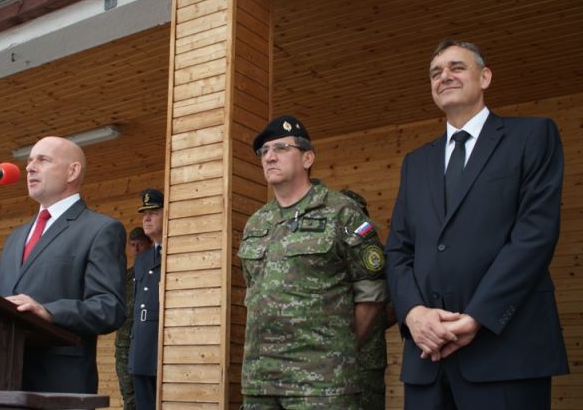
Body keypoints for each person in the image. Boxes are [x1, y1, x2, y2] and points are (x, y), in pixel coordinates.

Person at [385, 40, 569, 409]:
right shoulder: (415, 163)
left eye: (457, 67)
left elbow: (534, 236)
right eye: (436, 73)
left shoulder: (531, 136)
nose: (445, 76)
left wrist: (477, 316)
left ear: (484, 77)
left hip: (506, 353)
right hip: (427, 358)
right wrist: (414, 313)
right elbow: (398, 250)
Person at [238, 115, 388, 409]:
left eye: (281, 148)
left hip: (321, 383)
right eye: (264, 151)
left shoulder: (341, 212)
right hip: (260, 380)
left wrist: (338, 349)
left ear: (308, 158)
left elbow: (372, 290)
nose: (269, 157)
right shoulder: (257, 223)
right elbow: (254, 289)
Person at [0, 136, 126, 393]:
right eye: (29, 160)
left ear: (72, 172)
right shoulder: (15, 238)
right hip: (1, 379)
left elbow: (109, 308)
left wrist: (50, 312)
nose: (30, 167)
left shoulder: (100, 229)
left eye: (43, 160)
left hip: (58, 384)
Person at [340, 188, 392, 410]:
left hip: (366, 360)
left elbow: (394, 304)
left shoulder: (372, 251)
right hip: (331, 360)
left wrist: (372, 323)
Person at [128, 189, 164, 410]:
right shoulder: (142, 260)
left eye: (154, 213)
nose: (146, 218)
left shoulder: (177, 252)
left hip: (161, 345)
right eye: (144, 214)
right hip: (140, 343)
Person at [115, 227, 152, 410]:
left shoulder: (155, 272)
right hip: (124, 345)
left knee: (147, 396)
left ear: (150, 245)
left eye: (140, 245)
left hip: (146, 343)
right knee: (128, 395)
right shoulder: (127, 276)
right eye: (132, 245)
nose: (136, 249)